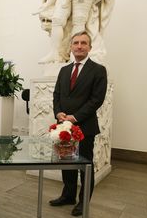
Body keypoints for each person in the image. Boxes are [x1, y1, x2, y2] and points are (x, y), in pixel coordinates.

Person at [49, 31, 107, 216]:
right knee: (67, 162)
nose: (79, 46)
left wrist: (74, 117)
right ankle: (68, 195)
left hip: (84, 127)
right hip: (63, 127)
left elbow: (96, 100)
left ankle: (83, 202)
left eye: (83, 43)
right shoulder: (64, 70)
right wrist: (58, 113)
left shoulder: (98, 70)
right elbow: (57, 94)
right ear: (71, 46)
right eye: (76, 43)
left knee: (84, 165)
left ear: (89, 47)